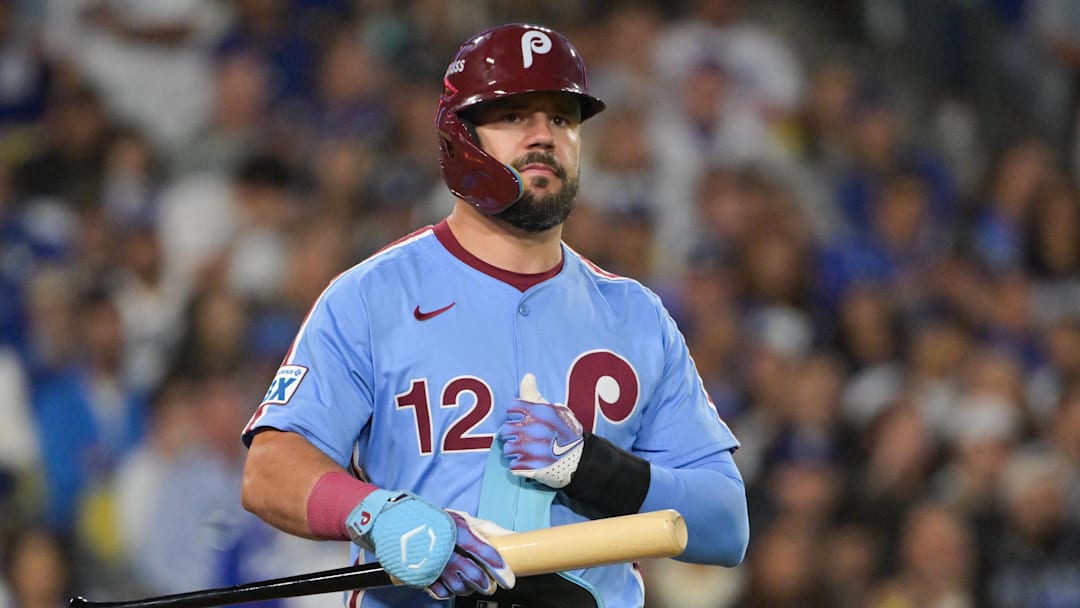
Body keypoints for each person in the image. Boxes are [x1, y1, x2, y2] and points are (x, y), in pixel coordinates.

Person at [240, 23, 749, 608]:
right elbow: (269, 469)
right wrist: (377, 512)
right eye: (513, 116)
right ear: (461, 138)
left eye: (561, 118)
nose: (544, 136)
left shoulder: (635, 314)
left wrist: (594, 467)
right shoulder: (371, 294)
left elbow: (725, 523)